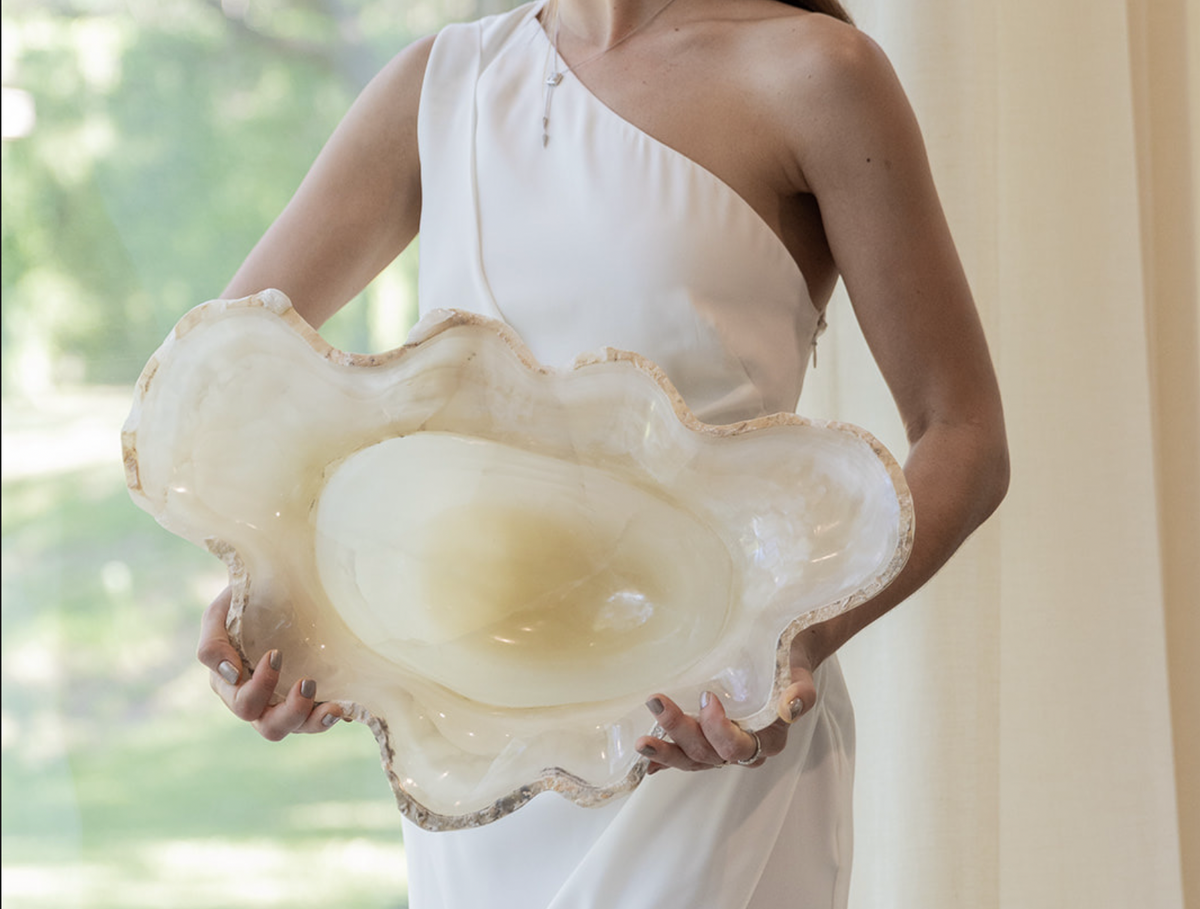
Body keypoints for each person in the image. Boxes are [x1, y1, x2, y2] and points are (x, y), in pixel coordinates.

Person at [196, 0, 1009, 904]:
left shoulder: (818, 75)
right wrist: (277, 583)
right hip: (480, 763)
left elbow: (964, 437)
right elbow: (219, 381)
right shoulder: (439, 85)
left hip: (701, 734)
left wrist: (786, 648)